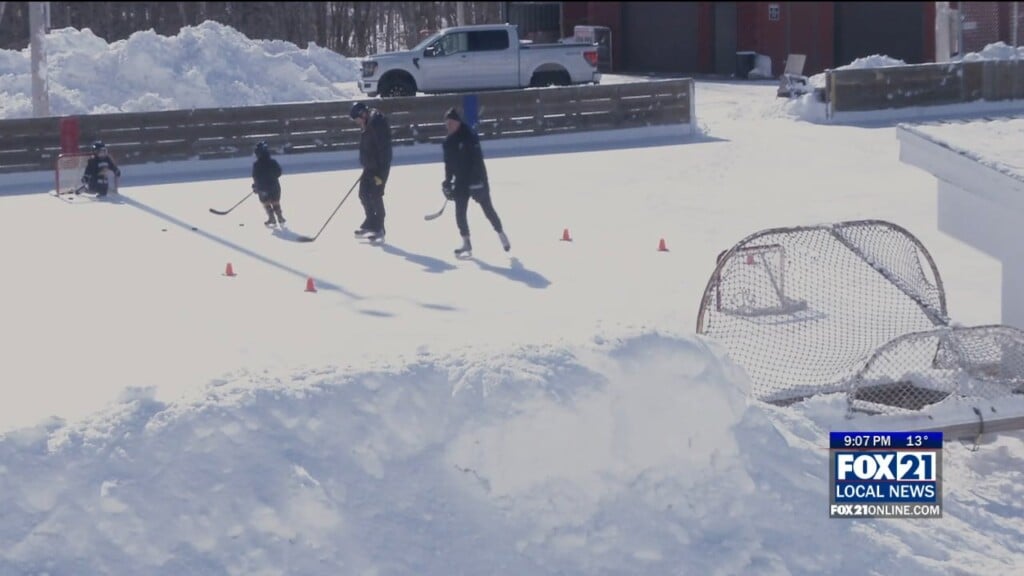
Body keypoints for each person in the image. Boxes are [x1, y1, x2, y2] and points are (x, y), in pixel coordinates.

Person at [441, 107, 509, 256]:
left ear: (458, 122)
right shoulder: (448, 142)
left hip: (477, 179)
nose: (448, 125)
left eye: (451, 122)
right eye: (447, 123)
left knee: (488, 210)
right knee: (460, 213)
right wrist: (447, 182)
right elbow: (449, 164)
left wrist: (478, 181)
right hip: (461, 180)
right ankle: (466, 243)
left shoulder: (469, 136)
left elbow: (477, 161)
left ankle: (501, 233)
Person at [350, 101, 392, 241]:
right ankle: (370, 222)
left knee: (375, 195)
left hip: (379, 169)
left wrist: (380, 174)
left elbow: (384, 151)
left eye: (357, 119)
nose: (357, 123)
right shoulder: (367, 124)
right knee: (363, 194)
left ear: (363, 114)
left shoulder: (377, 124)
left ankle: (379, 226)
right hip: (369, 167)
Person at [252, 141, 285, 226]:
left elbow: (255, 176)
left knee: (265, 202)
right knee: (275, 201)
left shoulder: (257, 165)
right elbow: (279, 172)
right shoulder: (273, 162)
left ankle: (271, 217)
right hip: (274, 186)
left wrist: (255, 186)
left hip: (263, 188)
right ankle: (280, 216)